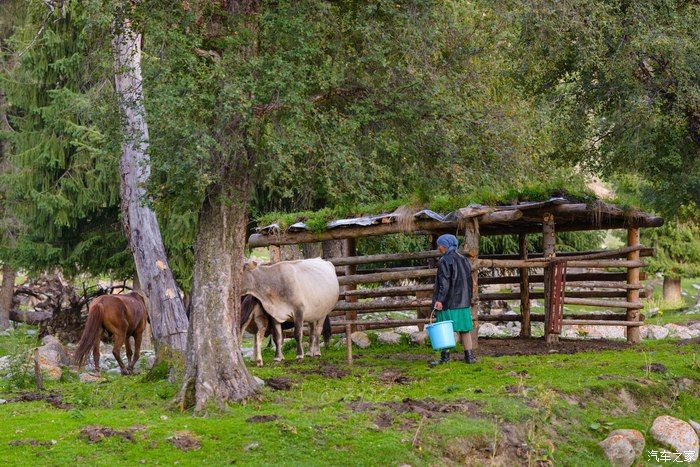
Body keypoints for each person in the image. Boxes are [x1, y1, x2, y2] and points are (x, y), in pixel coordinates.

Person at [430, 233, 475, 365]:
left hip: (450, 301)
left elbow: (444, 283)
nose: (439, 248)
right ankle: (469, 358)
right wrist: (469, 298)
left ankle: (445, 358)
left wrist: (440, 300)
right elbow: (469, 281)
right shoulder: (464, 259)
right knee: (465, 329)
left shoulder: (445, 260)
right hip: (464, 301)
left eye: (440, 245)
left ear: (446, 245)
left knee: (447, 330)